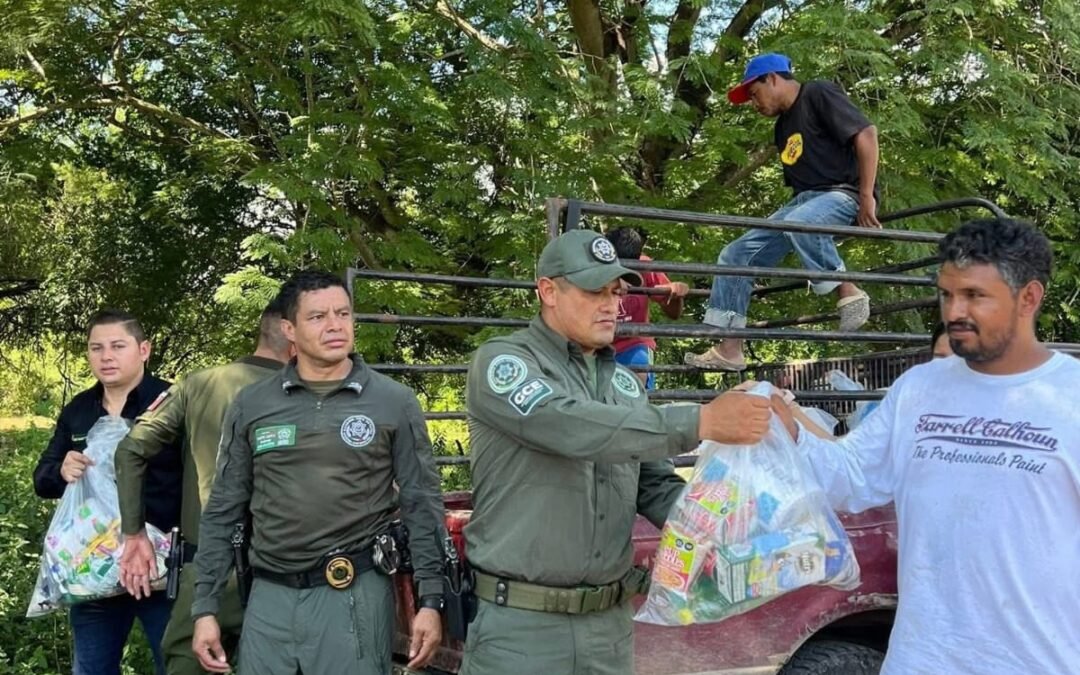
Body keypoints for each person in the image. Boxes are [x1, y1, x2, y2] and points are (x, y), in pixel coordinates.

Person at [460, 229, 777, 675]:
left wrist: (727, 523)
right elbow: (567, 424)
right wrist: (701, 421)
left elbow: (654, 484)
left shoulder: (624, 385)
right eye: (595, 291)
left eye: (617, 291)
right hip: (521, 630)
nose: (613, 305)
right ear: (548, 291)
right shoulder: (505, 363)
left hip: (608, 628)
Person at [772, 218, 1079, 673]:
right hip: (923, 659)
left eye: (975, 296)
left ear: (1028, 298)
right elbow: (853, 477)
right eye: (947, 294)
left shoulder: (1070, 398)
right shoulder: (918, 388)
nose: (954, 311)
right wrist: (786, 428)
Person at [190, 270, 445, 675]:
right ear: (288, 329)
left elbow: (422, 504)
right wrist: (205, 606)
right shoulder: (253, 403)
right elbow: (225, 506)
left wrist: (431, 601)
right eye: (317, 317)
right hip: (269, 598)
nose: (334, 326)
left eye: (343, 314)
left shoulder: (392, 401)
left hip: (352, 595)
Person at [115, 298, 294, 675]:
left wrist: (134, 533)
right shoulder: (305, 394)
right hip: (281, 574)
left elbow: (131, 450)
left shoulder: (197, 384)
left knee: (187, 662)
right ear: (294, 339)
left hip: (204, 569)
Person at [686, 52, 881, 371]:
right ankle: (729, 348)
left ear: (773, 78)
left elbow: (867, 134)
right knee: (735, 254)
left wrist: (866, 195)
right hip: (805, 203)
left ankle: (849, 290)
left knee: (799, 221)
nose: (753, 103)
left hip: (845, 193)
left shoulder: (817, 92)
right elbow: (801, 193)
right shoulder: (782, 128)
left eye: (753, 93)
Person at [32, 309, 181, 675]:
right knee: (92, 669)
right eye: (96, 348)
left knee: (180, 667)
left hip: (161, 568)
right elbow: (42, 478)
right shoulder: (79, 411)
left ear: (143, 349)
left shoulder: (175, 401)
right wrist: (61, 470)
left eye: (118, 346)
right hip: (94, 571)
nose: (106, 356)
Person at [605, 227, 689, 389]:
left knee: (636, 387)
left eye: (629, 270)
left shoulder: (645, 266)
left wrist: (676, 295)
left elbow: (673, 313)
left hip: (634, 343)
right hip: (597, 345)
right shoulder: (594, 266)